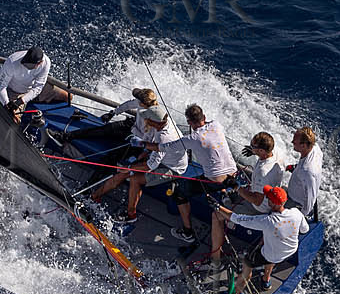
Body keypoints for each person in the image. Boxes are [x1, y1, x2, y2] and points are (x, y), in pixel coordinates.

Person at [86, 91, 185, 228]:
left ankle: (130, 215)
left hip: (171, 167)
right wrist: (143, 153)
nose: (145, 121)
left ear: (153, 122)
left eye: (147, 119)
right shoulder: (162, 122)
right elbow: (152, 149)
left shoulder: (163, 138)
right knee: (124, 172)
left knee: (134, 178)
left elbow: (151, 165)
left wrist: (129, 168)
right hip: (162, 157)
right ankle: (95, 196)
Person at [202, 132, 283, 261]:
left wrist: (237, 187)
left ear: (262, 151)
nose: (250, 147)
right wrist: (253, 151)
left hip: (259, 209)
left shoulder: (263, 172)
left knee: (216, 215)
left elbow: (257, 201)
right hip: (267, 197)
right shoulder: (276, 154)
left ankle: (215, 259)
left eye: (253, 146)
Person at [215, 186, 308, 288]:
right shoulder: (296, 212)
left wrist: (218, 207)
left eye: (268, 198)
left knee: (248, 263)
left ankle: (238, 292)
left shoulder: (267, 221)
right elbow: (305, 230)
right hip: (291, 250)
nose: (266, 198)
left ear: (272, 203)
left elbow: (238, 219)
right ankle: (266, 280)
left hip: (272, 255)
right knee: (271, 252)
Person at [171, 104, 236, 244]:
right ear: (204, 117)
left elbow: (166, 147)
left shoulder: (192, 138)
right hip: (233, 174)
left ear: (189, 122)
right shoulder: (216, 124)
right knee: (214, 167)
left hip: (215, 181)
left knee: (179, 193)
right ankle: (224, 193)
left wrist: (144, 144)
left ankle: (187, 232)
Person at [0, 46, 70, 122]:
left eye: (29, 65)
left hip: (35, 89)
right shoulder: (12, 61)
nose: (25, 65)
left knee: (67, 96)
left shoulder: (46, 63)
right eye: (25, 63)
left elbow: (38, 87)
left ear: (39, 63)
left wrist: (21, 101)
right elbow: (1, 86)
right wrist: (6, 104)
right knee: (12, 119)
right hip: (15, 92)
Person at [285, 127, 323, 218]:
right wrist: (295, 167)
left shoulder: (307, 171)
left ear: (303, 146)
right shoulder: (315, 148)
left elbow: (310, 201)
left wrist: (300, 218)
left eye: (294, 142)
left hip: (296, 203)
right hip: (296, 191)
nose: (292, 142)